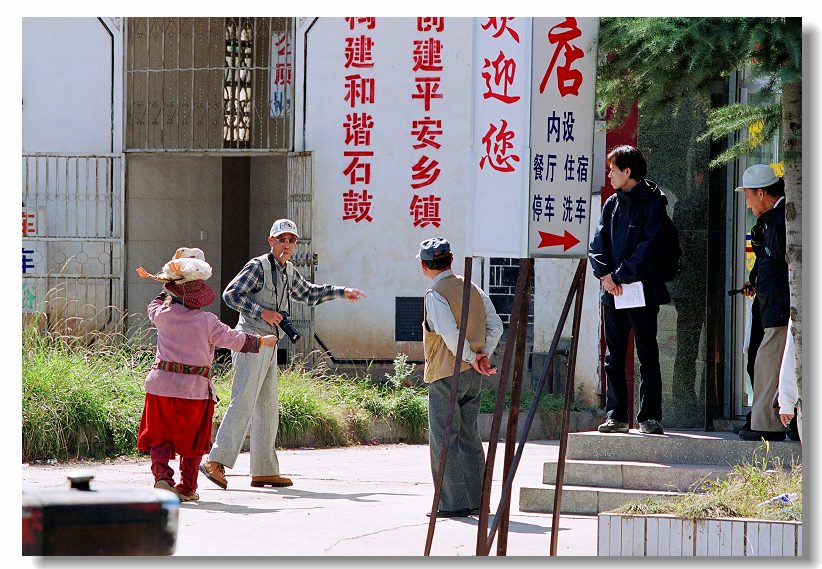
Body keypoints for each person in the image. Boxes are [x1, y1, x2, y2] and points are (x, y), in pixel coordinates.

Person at [200, 219, 366, 489]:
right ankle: (214, 461)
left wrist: (342, 292)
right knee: (243, 401)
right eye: (282, 239)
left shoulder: (288, 270)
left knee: (267, 406)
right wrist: (261, 312)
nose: (287, 245)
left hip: (270, 343)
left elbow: (309, 293)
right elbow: (231, 295)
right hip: (250, 340)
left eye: (291, 240)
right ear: (271, 241)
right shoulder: (257, 267)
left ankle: (264, 470)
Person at [135, 247, 278, 501]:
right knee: (192, 442)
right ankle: (187, 488)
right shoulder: (208, 322)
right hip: (194, 391)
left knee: (160, 436)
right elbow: (235, 340)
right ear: (199, 297)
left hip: (160, 386)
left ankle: (162, 478)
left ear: (172, 290)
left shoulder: (162, 315)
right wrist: (262, 342)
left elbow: (155, 303)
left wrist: (171, 277)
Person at [418, 237, 503, 518]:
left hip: (446, 373)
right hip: (473, 374)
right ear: (451, 259)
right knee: (469, 435)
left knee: (444, 437)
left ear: (423, 265)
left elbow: (450, 334)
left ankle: (451, 503)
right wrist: (482, 355)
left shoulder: (435, 294)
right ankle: (480, 501)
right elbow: (497, 325)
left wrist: (469, 356)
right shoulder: (474, 288)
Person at [589, 145, 670, 435]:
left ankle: (649, 417)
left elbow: (649, 248)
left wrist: (620, 275)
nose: (609, 174)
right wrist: (605, 276)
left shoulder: (653, 202)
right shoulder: (611, 203)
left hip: (641, 289)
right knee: (614, 354)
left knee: (647, 352)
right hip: (612, 291)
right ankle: (616, 416)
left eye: (613, 169)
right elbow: (597, 244)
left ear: (628, 171)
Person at [734, 164, 790, 441]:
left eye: (747, 196)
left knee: (768, 363)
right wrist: (754, 280)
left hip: (779, 305)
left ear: (760, 193)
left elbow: (783, 266)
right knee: (758, 359)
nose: (746, 204)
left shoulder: (782, 220)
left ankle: (768, 423)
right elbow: (766, 261)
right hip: (767, 301)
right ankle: (761, 418)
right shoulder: (769, 220)